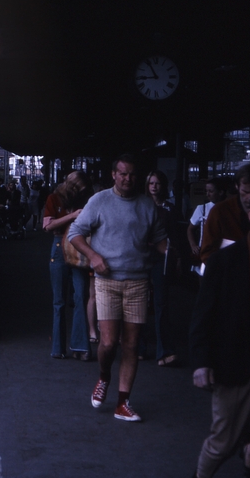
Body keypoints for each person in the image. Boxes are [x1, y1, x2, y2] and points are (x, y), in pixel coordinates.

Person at [67, 154, 167, 422]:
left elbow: (159, 240)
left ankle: (123, 403)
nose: (127, 179)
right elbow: (74, 233)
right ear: (113, 174)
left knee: (132, 345)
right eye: (122, 174)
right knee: (109, 342)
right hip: (107, 281)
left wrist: (176, 252)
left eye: (132, 174)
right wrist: (94, 256)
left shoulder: (147, 206)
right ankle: (103, 377)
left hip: (138, 281)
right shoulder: (99, 201)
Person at [189, 186, 250, 478]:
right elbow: (203, 316)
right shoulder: (226, 261)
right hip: (236, 363)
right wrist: (202, 362)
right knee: (222, 443)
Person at [42, 170, 94, 361]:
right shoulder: (54, 198)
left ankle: (80, 346)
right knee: (59, 301)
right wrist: (72, 216)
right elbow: (47, 226)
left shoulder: (87, 199)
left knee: (81, 296)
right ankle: (58, 347)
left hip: (80, 248)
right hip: (59, 245)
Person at [139, 170, 182, 366]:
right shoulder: (140, 206)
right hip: (140, 258)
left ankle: (164, 350)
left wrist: (176, 256)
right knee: (138, 302)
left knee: (161, 303)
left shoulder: (170, 209)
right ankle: (138, 347)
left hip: (161, 260)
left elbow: (176, 236)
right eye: (151, 183)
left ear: (163, 186)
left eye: (157, 183)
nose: (154, 186)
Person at [200, 164, 250, 266]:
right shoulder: (220, 212)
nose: (249, 198)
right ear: (237, 187)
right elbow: (207, 252)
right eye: (245, 192)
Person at [187, 178, 227, 275]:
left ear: (221, 192)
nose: (207, 194)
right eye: (206, 191)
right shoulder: (202, 209)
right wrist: (193, 245)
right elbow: (190, 229)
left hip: (223, 253)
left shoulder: (228, 208)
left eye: (211, 191)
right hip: (205, 251)